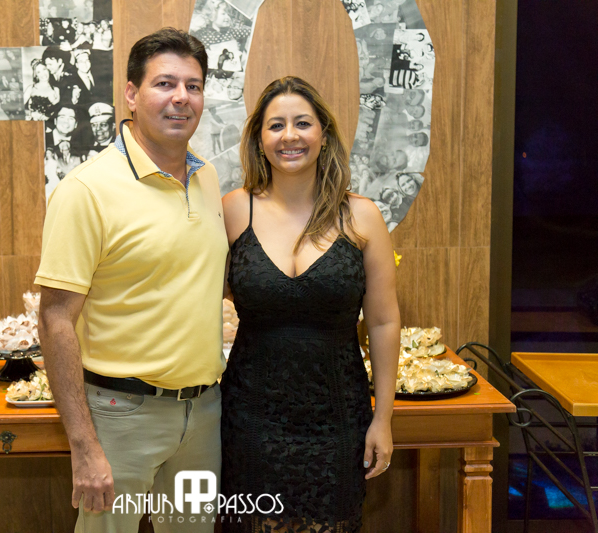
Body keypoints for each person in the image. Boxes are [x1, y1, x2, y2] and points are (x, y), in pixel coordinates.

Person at [36, 27, 226, 532]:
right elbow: (55, 320)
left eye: (193, 86)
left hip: (202, 416)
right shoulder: (86, 190)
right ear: (131, 94)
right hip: (121, 416)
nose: (181, 97)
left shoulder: (207, 178)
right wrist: (84, 445)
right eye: (165, 83)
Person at [220, 76, 399, 532]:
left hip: (337, 416)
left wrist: (383, 418)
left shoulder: (362, 216)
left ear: (324, 133)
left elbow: (382, 322)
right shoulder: (234, 210)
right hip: (250, 415)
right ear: (259, 139)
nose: (290, 136)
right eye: (275, 125)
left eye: (302, 123)